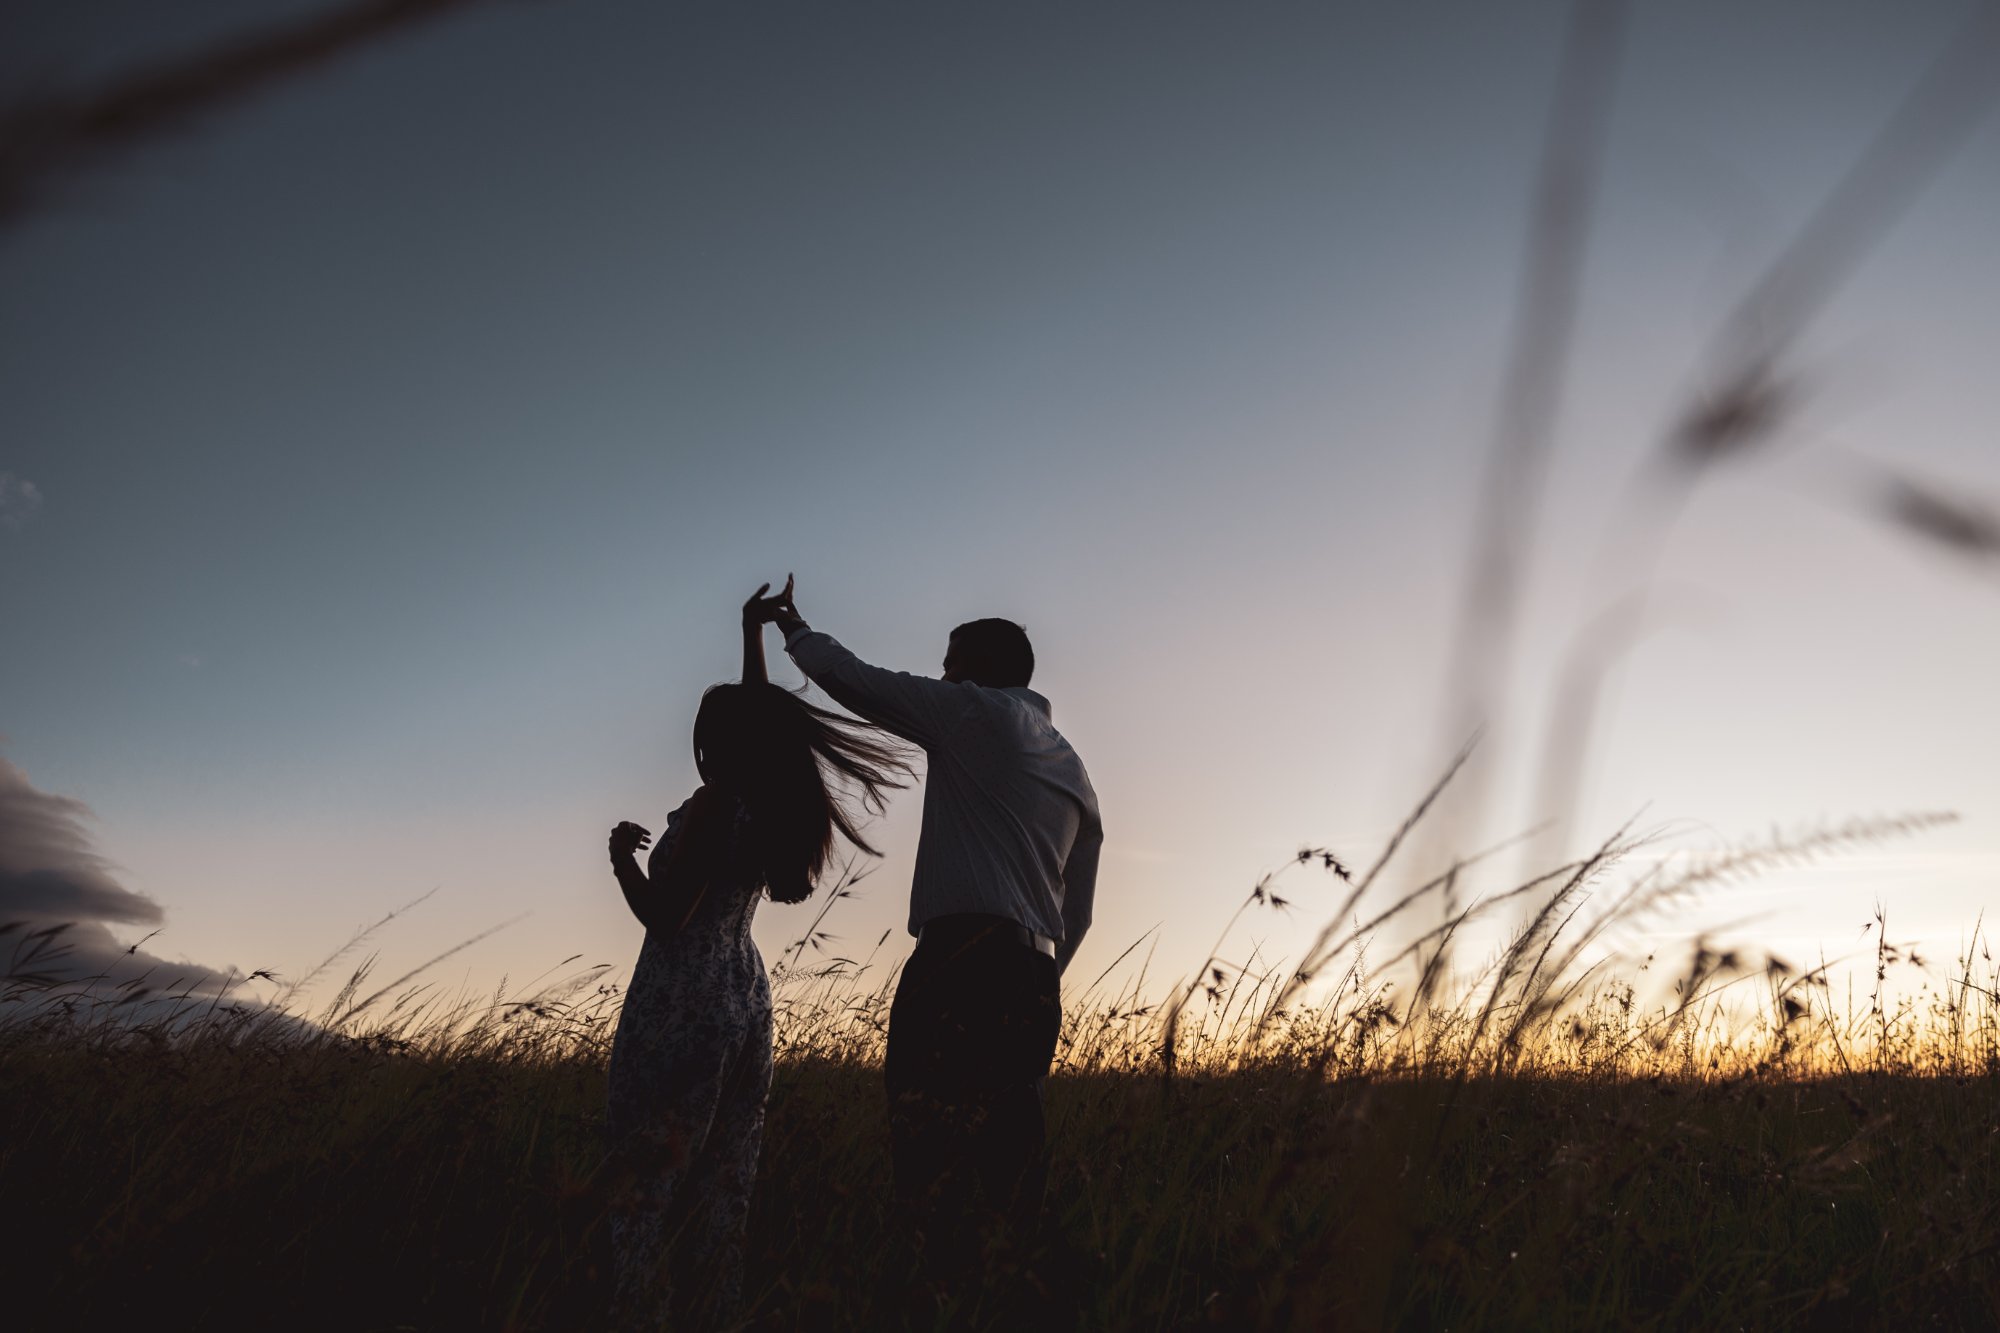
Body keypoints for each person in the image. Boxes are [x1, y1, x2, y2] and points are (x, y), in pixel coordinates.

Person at [750, 577, 1104, 1283]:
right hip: (1034, 977)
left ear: (978, 670)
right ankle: (1008, 1295)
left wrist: (792, 628)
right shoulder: (1075, 768)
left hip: (959, 961)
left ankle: (929, 1292)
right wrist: (1033, 975)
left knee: (926, 1143)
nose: (941, 676)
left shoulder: (973, 713)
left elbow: (861, 682)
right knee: (1012, 1158)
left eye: (950, 664)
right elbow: (1080, 913)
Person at [602, 581, 907, 1328]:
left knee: (643, 1184)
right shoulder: (767, 806)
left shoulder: (713, 806)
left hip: (683, 998)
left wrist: (619, 862)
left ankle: (636, 1313)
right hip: (744, 1003)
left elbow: (666, 918)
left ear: (716, 744)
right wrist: (752, 634)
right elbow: (761, 719)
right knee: (724, 1187)